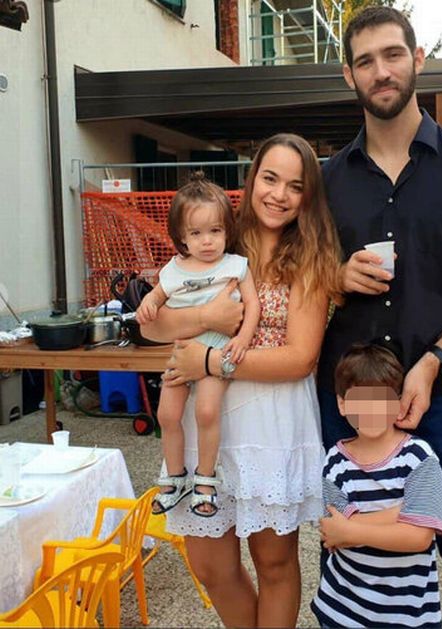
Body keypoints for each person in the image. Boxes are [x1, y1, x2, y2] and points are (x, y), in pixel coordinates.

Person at [316, 7, 442, 628]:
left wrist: (434, 361)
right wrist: (334, 276)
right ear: (348, 76)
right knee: (346, 539)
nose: (380, 71)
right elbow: (293, 274)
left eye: (392, 54)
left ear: (417, 60)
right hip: (348, 399)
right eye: (364, 61)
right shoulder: (327, 181)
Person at [139, 133, 343, 628]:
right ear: (251, 181)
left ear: (308, 196)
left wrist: (210, 361)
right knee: (210, 564)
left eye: (295, 186)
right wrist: (206, 315)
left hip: (272, 417)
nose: (279, 194)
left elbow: (299, 357)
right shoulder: (216, 238)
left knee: (272, 560)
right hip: (205, 413)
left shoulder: (311, 256)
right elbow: (153, 328)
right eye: (269, 178)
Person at [136, 173, 260, 517]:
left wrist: (243, 338)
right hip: (181, 353)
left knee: (206, 411)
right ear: (181, 238)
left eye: (215, 231)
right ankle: (174, 477)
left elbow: (253, 305)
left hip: (216, 352)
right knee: (166, 414)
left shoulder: (235, 266)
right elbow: (155, 298)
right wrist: (148, 304)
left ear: (227, 231)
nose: (207, 241)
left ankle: (205, 480)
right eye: (196, 233)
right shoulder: (173, 270)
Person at [311, 342, 442, 628]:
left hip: (406, 614)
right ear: (342, 404)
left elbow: (419, 538)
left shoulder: (419, 458)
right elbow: (336, 532)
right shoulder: (335, 460)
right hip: (341, 607)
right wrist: (405, 514)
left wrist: (353, 529)